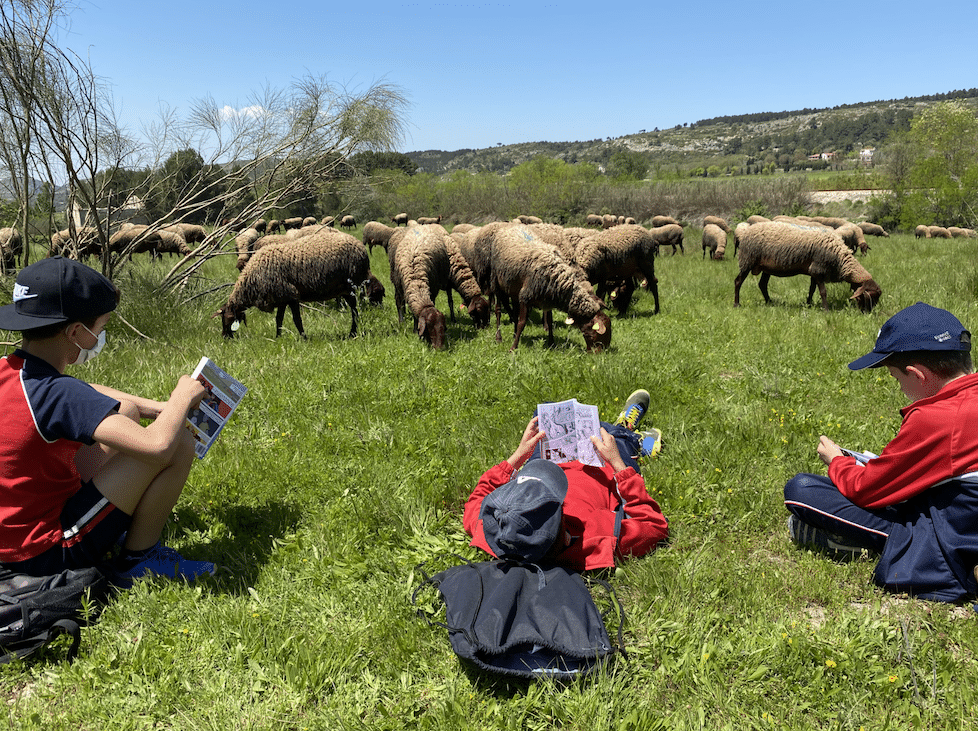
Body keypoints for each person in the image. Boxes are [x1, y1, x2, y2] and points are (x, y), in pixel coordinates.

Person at [0, 257, 215, 583]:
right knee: (179, 443)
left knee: (124, 410)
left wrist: (153, 407)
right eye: (100, 328)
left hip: (10, 539)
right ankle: (139, 560)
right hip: (47, 552)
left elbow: (83, 392)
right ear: (75, 332)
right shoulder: (60, 394)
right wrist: (181, 399)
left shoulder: (12, 371)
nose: (99, 337)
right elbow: (156, 446)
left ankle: (114, 526)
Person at [784, 301, 978, 602]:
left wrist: (837, 461)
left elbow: (866, 490)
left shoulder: (938, 417)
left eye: (896, 378)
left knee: (802, 489)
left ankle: (876, 544)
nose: (899, 387)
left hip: (958, 532)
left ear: (917, 374)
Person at [464, 390, 668, 570]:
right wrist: (618, 465)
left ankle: (623, 434)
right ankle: (631, 433)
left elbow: (476, 501)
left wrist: (519, 455)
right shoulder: (596, 540)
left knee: (543, 418)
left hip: (547, 460)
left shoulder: (496, 530)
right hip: (603, 467)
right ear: (566, 534)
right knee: (617, 439)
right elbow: (653, 526)